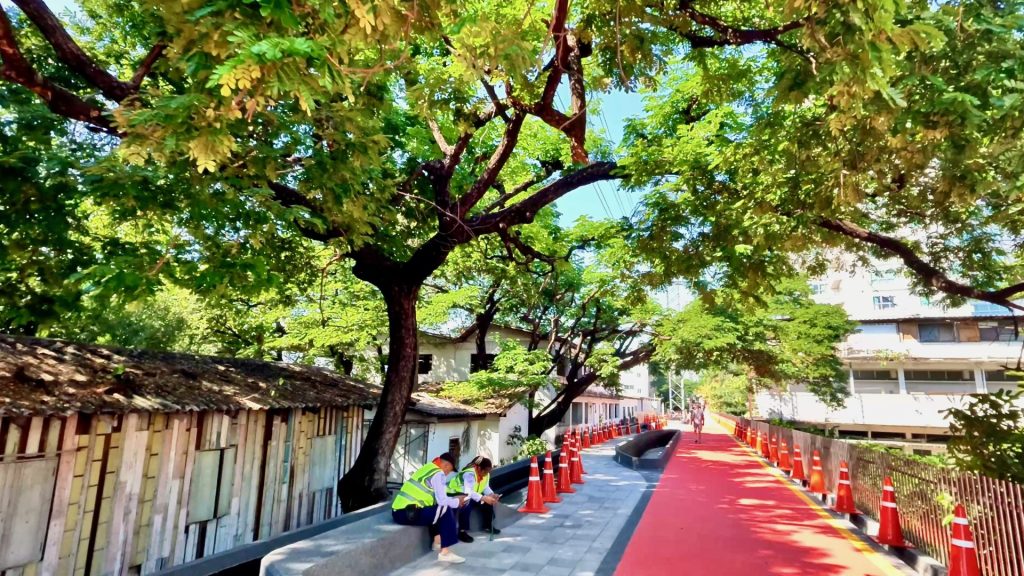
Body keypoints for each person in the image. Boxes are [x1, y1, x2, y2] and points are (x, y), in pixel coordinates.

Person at [391, 452, 467, 564]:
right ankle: (445, 553)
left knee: (436, 508)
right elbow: (442, 501)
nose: (448, 474)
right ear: (446, 466)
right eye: (449, 471)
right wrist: (457, 501)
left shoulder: (428, 467)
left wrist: (454, 498)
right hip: (407, 513)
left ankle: (437, 542)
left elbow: (439, 495)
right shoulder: (438, 474)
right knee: (445, 508)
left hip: (400, 511)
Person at [447, 456, 501, 542]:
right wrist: (483, 498)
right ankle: (461, 531)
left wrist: (492, 494)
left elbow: (485, 487)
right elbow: (468, 491)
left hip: (471, 494)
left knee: (488, 503)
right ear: (479, 468)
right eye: (486, 471)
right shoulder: (469, 474)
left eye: (488, 471)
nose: (487, 473)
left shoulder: (486, 474)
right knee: (466, 504)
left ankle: (487, 525)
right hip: (455, 494)